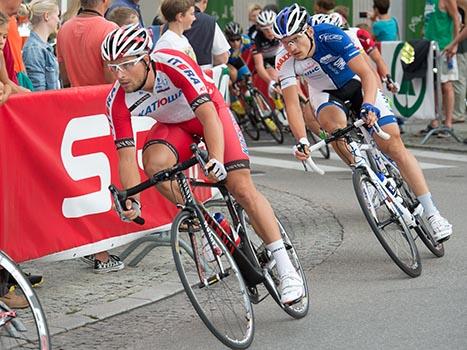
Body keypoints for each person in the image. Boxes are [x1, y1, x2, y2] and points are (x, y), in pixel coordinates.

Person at [101, 24, 305, 304]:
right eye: (113, 67)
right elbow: (126, 157)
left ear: (146, 59)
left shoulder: (173, 63)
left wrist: (217, 159)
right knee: (155, 165)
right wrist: (131, 198)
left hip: (210, 114)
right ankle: (206, 221)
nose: (119, 74)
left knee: (241, 188)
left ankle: (286, 267)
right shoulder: (116, 100)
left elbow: (209, 117)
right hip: (174, 126)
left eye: (125, 64)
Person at [273, 4, 453, 242]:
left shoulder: (331, 34)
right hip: (326, 94)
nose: (291, 47)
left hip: (357, 84)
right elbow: (293, 105)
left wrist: (368, 105)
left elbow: (368, 74)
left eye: (295, 39)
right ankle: (363, 171)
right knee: (332, 128)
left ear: (309, 30)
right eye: (285, 42)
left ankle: (432, 214)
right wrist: (301, 140)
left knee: (394, 144)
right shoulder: (283, 58)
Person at [421, 0, 461, 137]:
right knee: (433, 86)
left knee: (446, 84)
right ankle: (435, 121)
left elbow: (456, 19)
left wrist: (454, 44)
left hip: (444, 47)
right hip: (429, 46)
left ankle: (448, 123)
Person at [56, 0, 118, 88]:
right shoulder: (110, 29)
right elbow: (112, 78)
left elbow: (64, 76)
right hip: (102, 97)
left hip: (74, 96)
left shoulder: (64, 29)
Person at [21, 0, 60, 91]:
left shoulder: (40, 47)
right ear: (46, 16)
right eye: (57, 15)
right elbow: (38, 93)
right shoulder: (34, 49)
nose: (58, 20)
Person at [184, 0, 230, 69]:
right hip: (202, 74)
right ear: (205, 1)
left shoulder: (170, 22)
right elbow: (222, 58)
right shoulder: (208, 22)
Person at [252, 9, 281, 97]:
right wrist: (270, 82)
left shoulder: (281, 31)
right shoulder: (256, 38)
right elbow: (259, 66)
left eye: (271, 27)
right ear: (260, 29)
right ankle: (278, 101)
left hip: (279, 56)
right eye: (265, 29)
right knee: (273, 74)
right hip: (266, 60)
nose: (269, 32)